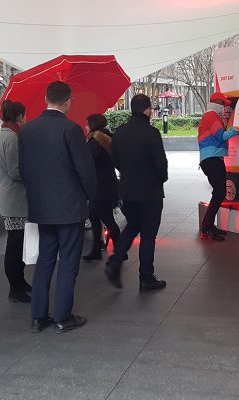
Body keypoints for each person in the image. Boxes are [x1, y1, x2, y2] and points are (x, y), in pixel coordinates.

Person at [19, 81, 96, 334]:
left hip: (41, 207)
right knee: (69, 262)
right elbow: (85, 170)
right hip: (69, 207)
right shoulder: (71, 129)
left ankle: (38, 316)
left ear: (45, 98)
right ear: (68, 101)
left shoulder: (27, 130)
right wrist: (92, 196)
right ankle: (63, 316)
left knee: (45, 260)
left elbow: (24, 169)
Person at [104, 94, 168, 292]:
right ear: (148, 110)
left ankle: (115, 262)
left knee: (133, 226)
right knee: (148, 235)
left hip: (127, 190)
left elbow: (114, 159)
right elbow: (160, 164)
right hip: (150, 192)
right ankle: (146, 277)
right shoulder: (151, 133)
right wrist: (161, 178)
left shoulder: (120, 132)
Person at [0, 100, 32, 303]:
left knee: (18, 243)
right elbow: (15, 171)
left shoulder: (3, 136)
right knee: (15, 245)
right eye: (24, 115)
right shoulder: (12, 139)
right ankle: (15, 287)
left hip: (11, 197)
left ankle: (20, 282)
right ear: (19, 117)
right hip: (16, 200)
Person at [197, 92, 239, 241]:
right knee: (220, 192)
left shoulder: (212, 115)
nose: (224, 107)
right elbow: (221, 135)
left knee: (218, 192)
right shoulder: (211, 115)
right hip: (211, 159)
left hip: (213, 158)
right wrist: (237, 130)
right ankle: (206, 227)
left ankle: (208, 226)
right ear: (217, 102)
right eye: (223, 104)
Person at [82, 114, 121, 261]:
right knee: (95, 216)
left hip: (100, 187)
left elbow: (87, 163)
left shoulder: (94, 142)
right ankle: (96, 249)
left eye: (87, 124)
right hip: (107, 184)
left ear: (92, 125)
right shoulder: (107, 138)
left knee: (106, 218)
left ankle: (120, 251)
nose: (85, 127)